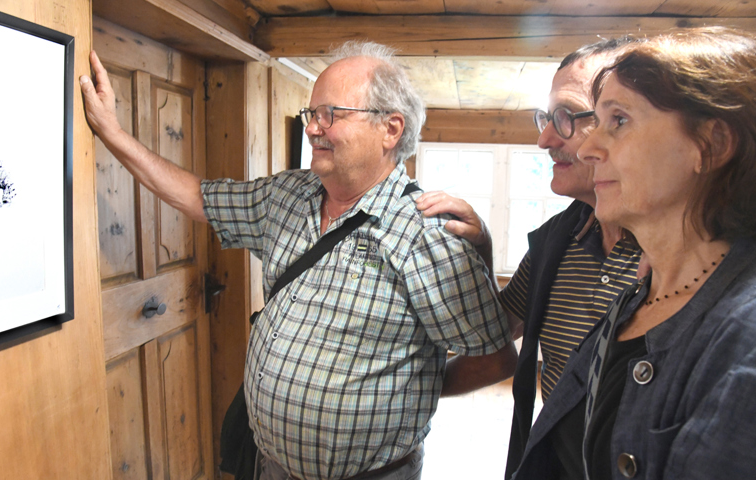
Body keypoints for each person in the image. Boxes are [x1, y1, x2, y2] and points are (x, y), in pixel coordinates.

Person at [80, 41, 517, 480]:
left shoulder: (428, 233)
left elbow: (495, 360)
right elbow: (198, 196)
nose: (313, 128)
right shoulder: (287, 196)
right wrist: (113, 134)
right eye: (312, 114)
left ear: (391, 129)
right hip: (268, 465)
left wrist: (409, 393)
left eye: (331, 114)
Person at [512, 26, 756, 479]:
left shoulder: (753, 336)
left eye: (619, 121)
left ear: (710, 145)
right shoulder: (641, 293)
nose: (588, 147)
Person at [416, 37, 644, 477]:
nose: (543, 140)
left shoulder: (687, 257)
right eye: (545, 118)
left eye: (565, 117)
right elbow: (492, 332)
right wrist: (481, 250)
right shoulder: (559, 240)